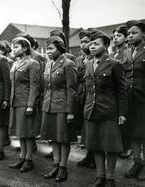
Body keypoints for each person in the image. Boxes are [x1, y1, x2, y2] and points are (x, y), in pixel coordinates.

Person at [83, 29, 127, 187]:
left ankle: (110, 178)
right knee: (95, 145)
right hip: (91, 111)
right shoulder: (87, 64)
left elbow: (122, 90)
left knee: (111, 146)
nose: (92, 46)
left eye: (96, 44)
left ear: (106, 45)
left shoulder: (115, 64)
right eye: (91, 44)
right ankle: (99, 176)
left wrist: (122, 113)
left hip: (109, 111)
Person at [41, 36, 78, 182]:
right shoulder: (48, 64)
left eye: (51, 48)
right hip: (49, 105)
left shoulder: (68, 64)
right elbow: (46, 88)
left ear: (60, 48)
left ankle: (63, 167)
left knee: (63, 139)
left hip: (62, 106)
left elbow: (72, 90)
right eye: (47, 49)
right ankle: (56, 164)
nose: (48, 51)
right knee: (53, 138)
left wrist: (70, 112)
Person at [8, 37, 40, 172]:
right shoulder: (15, 63)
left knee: (27, 133)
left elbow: (35, 85)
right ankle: (22, 157)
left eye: (17, 47)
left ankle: (29, 159)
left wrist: (30, 105)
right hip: (15, 102)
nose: (13, 49)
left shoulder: (32, 63)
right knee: (21, 132)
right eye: (13, 47)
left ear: (25, 48)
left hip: (26, 102)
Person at [124, 20, 145, 181]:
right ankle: (137, 163)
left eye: (134, 32)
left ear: (143, 34)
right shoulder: (127, 52)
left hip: (143, 100)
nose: (130, 35)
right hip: (130, 100)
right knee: (134, 134)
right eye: (129, 33)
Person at [110, 25, 133, 159]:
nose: (115, 39)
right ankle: (118, 145)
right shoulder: (112, 55)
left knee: (125, 118)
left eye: (119, 36)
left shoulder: (128, 53)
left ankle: (127, 147)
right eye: (114, 37)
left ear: (125, 38)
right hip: (114, 91)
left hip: (126, 90)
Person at [75, 29, 96, 169]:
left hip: (92, 96)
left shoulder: (95, 59)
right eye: (81, 42)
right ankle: (89, 155)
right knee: (85, 127)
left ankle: (94, 157)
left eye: (86, 42)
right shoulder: (78, 60)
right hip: (81, 95)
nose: (83, 45)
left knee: (93, 127)